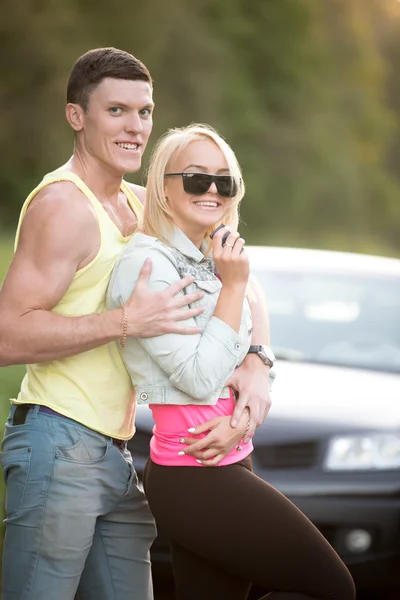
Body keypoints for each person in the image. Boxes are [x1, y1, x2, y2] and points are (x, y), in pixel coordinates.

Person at [0, 48, 273, 600]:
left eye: (144, 112)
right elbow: (7, 335)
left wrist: (256, 364)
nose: (135, 127)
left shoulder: (143, 203)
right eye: (117, 110)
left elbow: (242, 281)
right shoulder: (62, 206)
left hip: (123, 451)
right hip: (60, 442)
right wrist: (125, 320)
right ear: (77, 116)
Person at [107, 123, 356, 600]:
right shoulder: (148, 266)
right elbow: (199, 378)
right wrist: (236, 285)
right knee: (330, 587)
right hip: (193, 472)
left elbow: (252, 313)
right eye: (197, 178)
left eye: (225, 181)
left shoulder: (210, 258)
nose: (213, 191)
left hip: (228, 459)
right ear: (163, 186)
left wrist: (259, 363)